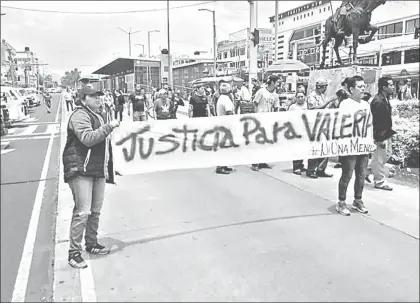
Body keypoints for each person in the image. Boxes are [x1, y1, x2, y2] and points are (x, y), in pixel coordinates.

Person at [62, 86, 120, 268]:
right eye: (94, 96)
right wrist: (109, 126)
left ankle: (91, 243)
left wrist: (110, 167)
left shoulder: (97, 115)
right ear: (83, 98)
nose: (99, 99)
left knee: (95, 210)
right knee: (82, 211)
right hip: (80, 169)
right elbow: (88, 138)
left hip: (96, 170)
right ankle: (74, 252)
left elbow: (104, 147)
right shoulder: (79, 115)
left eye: (100, 96)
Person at [336, 75, 370, 216]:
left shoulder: (366, 105)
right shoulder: (345, 104)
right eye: (359, 86)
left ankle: (358, 200)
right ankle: (341, 202)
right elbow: (341, 126)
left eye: (364, 86)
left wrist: (369, 143)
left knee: (361, 174)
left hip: (363, 145)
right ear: (351, 89)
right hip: (349, 146)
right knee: (347, 174)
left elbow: (369, 126)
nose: (363, 89)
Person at [366, 76, 396, 191]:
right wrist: (380, 138)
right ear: (384, 87)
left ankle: (365, 171)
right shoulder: (378, 101)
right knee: (379, 157)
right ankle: (379, 182)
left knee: (386, 155)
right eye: (391, 85)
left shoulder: (385, 98)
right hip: (381, 134)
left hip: (387, 132)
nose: (393, 87)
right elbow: (376, 121)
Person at [306, 77, 334, 179]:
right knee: (316, 147)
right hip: (315, 125)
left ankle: (321, 169)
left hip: (324, 123)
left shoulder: (322, 96)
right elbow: (313, 109)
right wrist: (328, 101)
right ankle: (311, 169)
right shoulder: (312, 96)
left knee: (326, 147)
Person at [251, 74, 280, 171]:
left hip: (269, 120)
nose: (278, 84)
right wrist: (256, 115)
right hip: (259, 120)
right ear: (272, 82)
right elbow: (255, 103)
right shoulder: (261, 91)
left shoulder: (275, 95)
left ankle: (263, 161)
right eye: (277, 82)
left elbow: (276, 107)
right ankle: (255, 163)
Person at [215, 82, 236, 175]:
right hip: (226, 126)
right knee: (224, 146)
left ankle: (224, 165)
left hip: (222, 124)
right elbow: (229, 112)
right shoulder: (226, 100)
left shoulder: (221, 98)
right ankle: (220, 166)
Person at [289, 91, 308, 175]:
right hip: (296, 130)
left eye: (302, 96)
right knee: (297, 149)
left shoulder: (307, 106)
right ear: (296, 98)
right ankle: (296, 167)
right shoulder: (293, 107)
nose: (300, 98)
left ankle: (301, 165)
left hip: (305, 130)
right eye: (299, 97)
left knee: (303, 149)